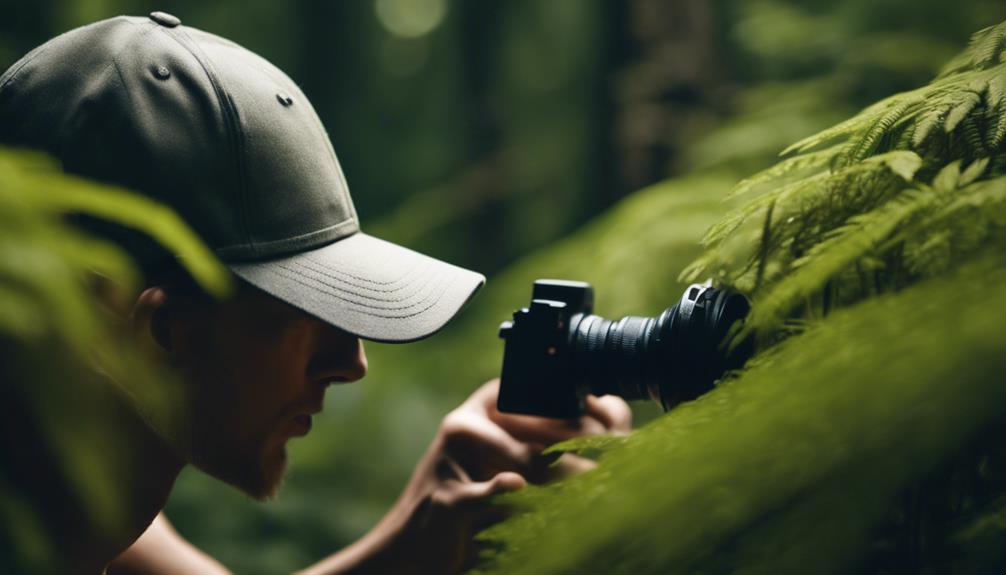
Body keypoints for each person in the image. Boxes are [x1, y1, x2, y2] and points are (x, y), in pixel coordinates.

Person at [0, 12, 631, 574]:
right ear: (159, 332)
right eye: (305, 309)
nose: (350, 363)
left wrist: (416, 533)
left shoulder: (84, 499)